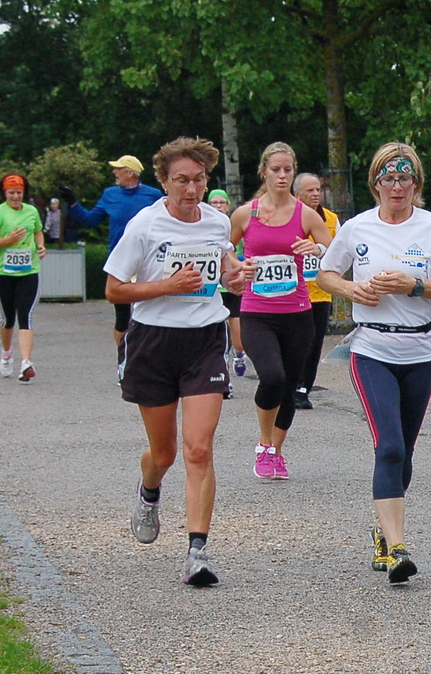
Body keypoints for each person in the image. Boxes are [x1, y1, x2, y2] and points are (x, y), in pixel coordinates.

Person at [316, 143, 431, 582]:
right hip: (372, 349)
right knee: (390, 445)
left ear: (416, 184)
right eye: (387, 178)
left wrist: (414, 286)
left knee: (406, 451)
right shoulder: (358, 228)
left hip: (420, 350)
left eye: (404, 178)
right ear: (375, 183)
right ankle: (397, 548)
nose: (396, 187)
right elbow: (326, 274)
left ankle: (384, 531)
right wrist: (350, 291)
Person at [104, 136, 248, 588]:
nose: (191, 189)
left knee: (199, 449)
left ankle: (197, 553)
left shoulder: (216, 222)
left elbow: (223, 273)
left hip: (205, 339)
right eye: (181, 181)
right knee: (164, 453)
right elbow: (114, 289)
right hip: (153, 342)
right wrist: (166, 286)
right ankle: (149, 492)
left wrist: (236, 276)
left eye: (199, 180)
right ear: (164, 182)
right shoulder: (144, 226)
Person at [228, 145, 335, 481]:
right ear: (264, 172)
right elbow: (221, 250)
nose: (282, 176)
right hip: (257, 312)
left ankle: (276, 451)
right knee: (271, 377)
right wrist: (237, 269)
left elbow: (336, 250)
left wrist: (315, 247)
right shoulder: (246, 214)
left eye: (288, 170)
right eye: (276, 169)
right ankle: (263, 444)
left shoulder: (306, 214)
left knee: (289, 386)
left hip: (298, 312)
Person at [64, 154, 165, 379]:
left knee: (150, 312)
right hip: (121, 263)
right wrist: (73, 203)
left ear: (130, 172)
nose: (114, 173)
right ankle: (124, 361)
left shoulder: (153, 195)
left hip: (149, 262)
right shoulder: (110, 195)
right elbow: (91, 220)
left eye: (118, 169)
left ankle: (151, 361)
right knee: (122, 316)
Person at [0, 174, 46, 382]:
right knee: (8, 318)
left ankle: (25, 362)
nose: (16, 197)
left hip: (29, 271)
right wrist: (8, 240)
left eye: (19, 193)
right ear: (5, 193)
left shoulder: (32, 211)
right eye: (11, 193)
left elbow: (38, 232)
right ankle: (6, 352)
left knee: (25, 316)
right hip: (3, 273)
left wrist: (40, 246)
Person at [291, 171, 341, 410]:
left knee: (314, 342)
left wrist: (319, 250)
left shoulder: (331, 219)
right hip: (291, 291)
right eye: (309, 190)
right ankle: (288, 384)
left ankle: (303, 389)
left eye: (317, 190)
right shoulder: (287, 218)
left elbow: (341, 252)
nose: (315, 194)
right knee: (294, 341)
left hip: (320, 292)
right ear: (296, 194)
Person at [206, 188, 246, 380]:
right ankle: (224, 376)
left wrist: (239, 265)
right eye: (215, 203)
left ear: (228, 206)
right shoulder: (203, 226)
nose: (219, 206)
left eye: (222, 203)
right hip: (215, 289)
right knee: (219, 338)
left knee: (237, 340)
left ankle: (239, 355)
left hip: (233, 289)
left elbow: (248, 252)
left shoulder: (235, 225)